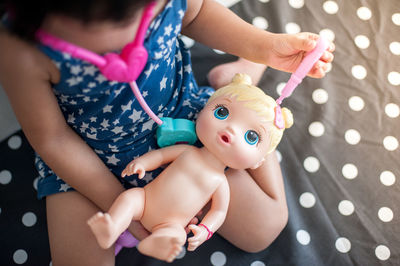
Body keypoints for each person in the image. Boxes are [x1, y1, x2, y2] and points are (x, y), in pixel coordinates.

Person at [0, 0, 334, 265]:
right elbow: (52, 139)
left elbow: (198, 12)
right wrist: (119, 203)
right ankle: (234, 84)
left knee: (264, 228)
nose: (129, 41)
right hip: (83, 156)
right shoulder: (19, 46)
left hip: (183, 120)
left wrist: (265, 47)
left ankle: (235, 86)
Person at [87, 73, 293, 262]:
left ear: (257, 163)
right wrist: (143, 163)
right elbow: (160, 156)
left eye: (251, 137)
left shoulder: (220, 182)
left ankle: (156, 244)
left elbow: (219, 212)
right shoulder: (187, 151)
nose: (231, 129)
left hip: (172, 223)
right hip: (144, 199)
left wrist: (205, 230)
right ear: (204, 109)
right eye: (222, 112)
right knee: (128, 199)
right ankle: (112, 226)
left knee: (176, 234)